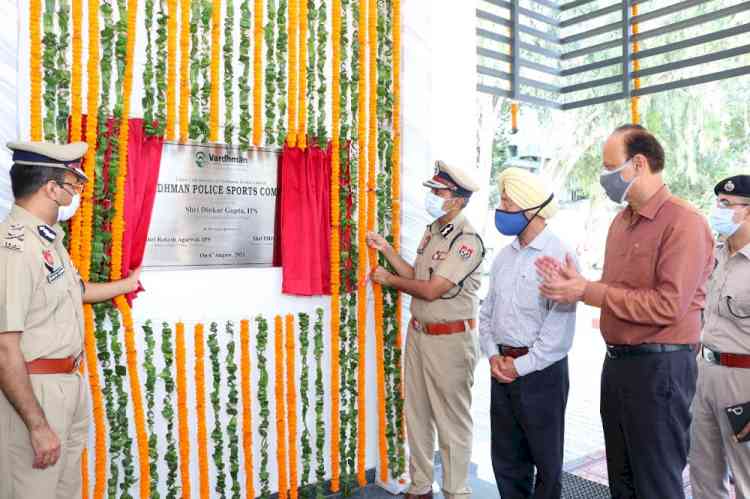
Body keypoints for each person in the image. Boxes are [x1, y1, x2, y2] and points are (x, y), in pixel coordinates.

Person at [535, 125, 714, 499]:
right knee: (622, 479)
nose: (604, 178)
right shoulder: (621, 222)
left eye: (609, 167)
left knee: (656, 482)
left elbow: (668, 304)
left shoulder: (684, 222)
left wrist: (587, 291)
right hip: (618, 365)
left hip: (661, 370)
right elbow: (618, 291)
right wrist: (577, 285)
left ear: (638, 163)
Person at [0, 141, 142, 499]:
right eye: (73, 184)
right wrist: (37, 424)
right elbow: (4, 348)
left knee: (64, 491)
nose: (76, 193)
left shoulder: (47, 239)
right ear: (51, 188)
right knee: (31, 491)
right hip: (33, 391)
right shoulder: (13, 248)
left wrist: (128, 284)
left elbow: (72, 290)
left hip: (66, 386)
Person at [367, 160, 483, 499]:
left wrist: (389, 279)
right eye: (432, 190)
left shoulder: (466, 240)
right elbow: (417, 275)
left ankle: (456, 491)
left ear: (458, 199)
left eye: (440, 191)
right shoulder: (433, 231)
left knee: (451, 423)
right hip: (419, 335)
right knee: (416, 414)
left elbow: (432, 289)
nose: (432, 196)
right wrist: (387, 250)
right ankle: (419, 487)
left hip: (451, 340)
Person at [479, 167, 576, 499]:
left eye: (507, 203)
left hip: (541, 375)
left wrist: (517, 367)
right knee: (507, 461)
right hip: (501, 369)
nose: (501, 210)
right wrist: (493, 356)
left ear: (530, 208)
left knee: (547, 465)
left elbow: (559, 330)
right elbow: (487, 313)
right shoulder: (504, 258)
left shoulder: (558, 254)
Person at [689, 174, 750, 498]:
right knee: (703, 470)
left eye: (727, 205)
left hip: (744, 381)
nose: (718, 211)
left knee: (745, 475)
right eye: (717, 204)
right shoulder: (717, 255)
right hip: (706, 372)